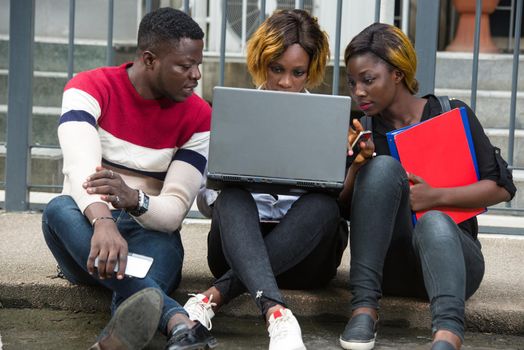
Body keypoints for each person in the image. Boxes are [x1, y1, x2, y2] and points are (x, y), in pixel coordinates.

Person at [41, 7, 218, 350]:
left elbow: (173, 210)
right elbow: (81, 168)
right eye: (184, 65)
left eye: (198, 63)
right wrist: (104, 222)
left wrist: (133, 198)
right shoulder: (89, 87)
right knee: (58, 209)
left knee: (165, 245)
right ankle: (179, 322)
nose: (196, 74)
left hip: (149, 234)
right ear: (149, 60)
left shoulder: (199, 117)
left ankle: (110, 345)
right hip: (86, 234)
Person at [337, 23, 516, 350]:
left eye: (368, 79)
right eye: (352, 82)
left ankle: (447, 335)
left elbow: (502, 186)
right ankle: (363, 310)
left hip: (455, 260)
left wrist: (434, 197)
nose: (358, 91)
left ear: (396, 74)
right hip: (388, 267)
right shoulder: (362, 132)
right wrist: (358, 167)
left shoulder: (451, 113)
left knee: (434, 220)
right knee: (382, 168)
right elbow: (343, 208)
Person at [185, 9, 348, 350]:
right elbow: (204, 201)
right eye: (277, 69)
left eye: (297, 72)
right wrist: (223, 181)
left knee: (324, 206)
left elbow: (337, 203)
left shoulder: (328, 122)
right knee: (229, 197)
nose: (286, 82)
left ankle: (214, 296)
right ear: (262, 63)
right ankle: (276, 313)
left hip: (306, 257)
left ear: (310, 72)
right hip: (240, 245)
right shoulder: (233, 114)